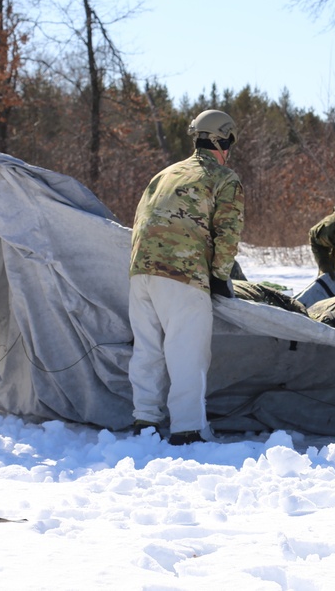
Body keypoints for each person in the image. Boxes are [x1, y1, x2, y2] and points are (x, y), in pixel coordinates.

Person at [127, 109, 245, 445]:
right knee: (187, 352)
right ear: (223, 139)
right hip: (182, 273)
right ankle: (188, 428)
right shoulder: (224, 178)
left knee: (147, 350)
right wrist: (220, 276)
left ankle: (145, 422)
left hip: (140, 271)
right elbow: (228, 232)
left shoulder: (164, 174)